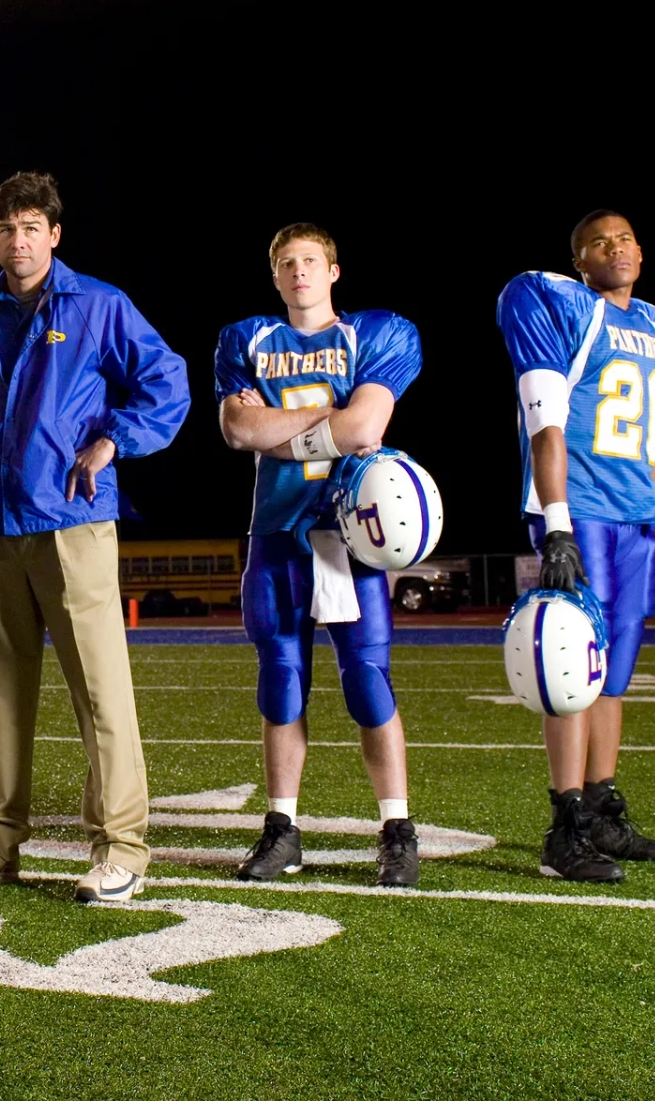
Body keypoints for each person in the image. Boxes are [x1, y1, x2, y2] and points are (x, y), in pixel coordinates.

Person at [0, 171, 189, 904]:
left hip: (72, 523)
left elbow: (168, 381)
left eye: (31, 226)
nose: (18, 240)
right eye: (6, 228)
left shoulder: (98, 304)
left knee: (101, 694)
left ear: (55, 234)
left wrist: (111, 444)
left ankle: (122, 847)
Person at [214, 224, 424, 887]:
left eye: (309, 260)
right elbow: (236, 429)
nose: (298, 271)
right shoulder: (246, 338)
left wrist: (279, 431)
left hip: (350, 533)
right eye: (285, 262)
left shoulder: (377, 332)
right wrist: (333, 419)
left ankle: (397, 828)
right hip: (276, 530)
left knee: (367, 680)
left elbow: (367, 427)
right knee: (280, 682)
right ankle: (282, 829)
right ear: (274, 277)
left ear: (333, 271)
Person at [496, 209, 655, 884]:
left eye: (629, 236)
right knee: (572, 671)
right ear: (580, 260)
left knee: (615, 674)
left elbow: (653, 444)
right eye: (601, 242)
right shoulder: (562, 304)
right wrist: (555, 524)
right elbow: (544, 424)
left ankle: (604, 809)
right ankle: (565, 825)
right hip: (583, 512)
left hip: (636, 515)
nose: (619, 247)